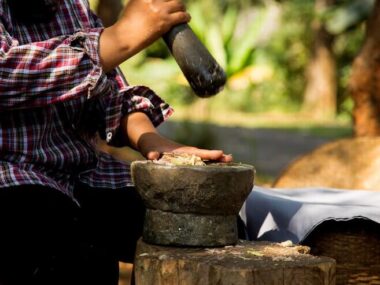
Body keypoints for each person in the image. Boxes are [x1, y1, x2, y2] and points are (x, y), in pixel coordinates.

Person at [0, 0, 232, 284]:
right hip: (13, 178)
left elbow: (108, 93)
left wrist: (152, 141)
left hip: (83, 177)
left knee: (203, 224)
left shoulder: (72, 6)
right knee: (79, 260)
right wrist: (119, 38)